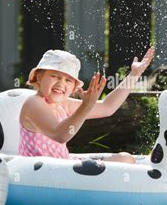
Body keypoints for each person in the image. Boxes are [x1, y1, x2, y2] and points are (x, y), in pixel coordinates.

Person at [19, 47, 155, 163]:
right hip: (40, 173)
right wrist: (86, 106)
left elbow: (108, 107)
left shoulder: (64, 104)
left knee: (125, 159)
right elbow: (60, 135)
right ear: (39, 77)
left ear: (73, 88)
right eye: (55, 76)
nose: (61, 84)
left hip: (61, 167)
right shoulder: (34, 103)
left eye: (68, 80)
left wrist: (134, 74)